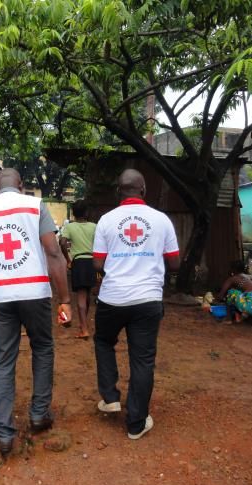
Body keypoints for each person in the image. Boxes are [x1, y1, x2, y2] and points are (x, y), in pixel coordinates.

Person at [0, 168, 72, 457]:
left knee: (4, 358)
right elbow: (53, 252)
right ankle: (39, 414)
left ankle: (4, 433)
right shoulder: (34, 206)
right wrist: (64, 298)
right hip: (34, 292)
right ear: (21, 185)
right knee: (42, 347)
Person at [92, 169, 179, 440]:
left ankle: (110, 397)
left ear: (119, 191)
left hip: (112, 298)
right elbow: (174, 263)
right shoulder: (161, 220)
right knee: (142, 360)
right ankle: (136, 423)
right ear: (143, 190)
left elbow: (97, 263)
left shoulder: (106, 220)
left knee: (104, 341)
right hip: (148, 300)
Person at [60, 200, 97, 339]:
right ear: (87, 213)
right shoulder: (94, 226)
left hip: (79, 261)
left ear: (74, 213)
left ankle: (84, 329)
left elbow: (62, 242)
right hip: (92, 262)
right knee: (87, 294)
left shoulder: (70, 227)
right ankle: (84, 323)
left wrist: (68, 259)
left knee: (81, 296)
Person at [216, 260, 252, 329]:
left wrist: (222, 299)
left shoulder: (233, 278)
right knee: (249, 298)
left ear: (233, 269)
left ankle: (228, 320)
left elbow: (220, 296)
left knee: (231, 292)